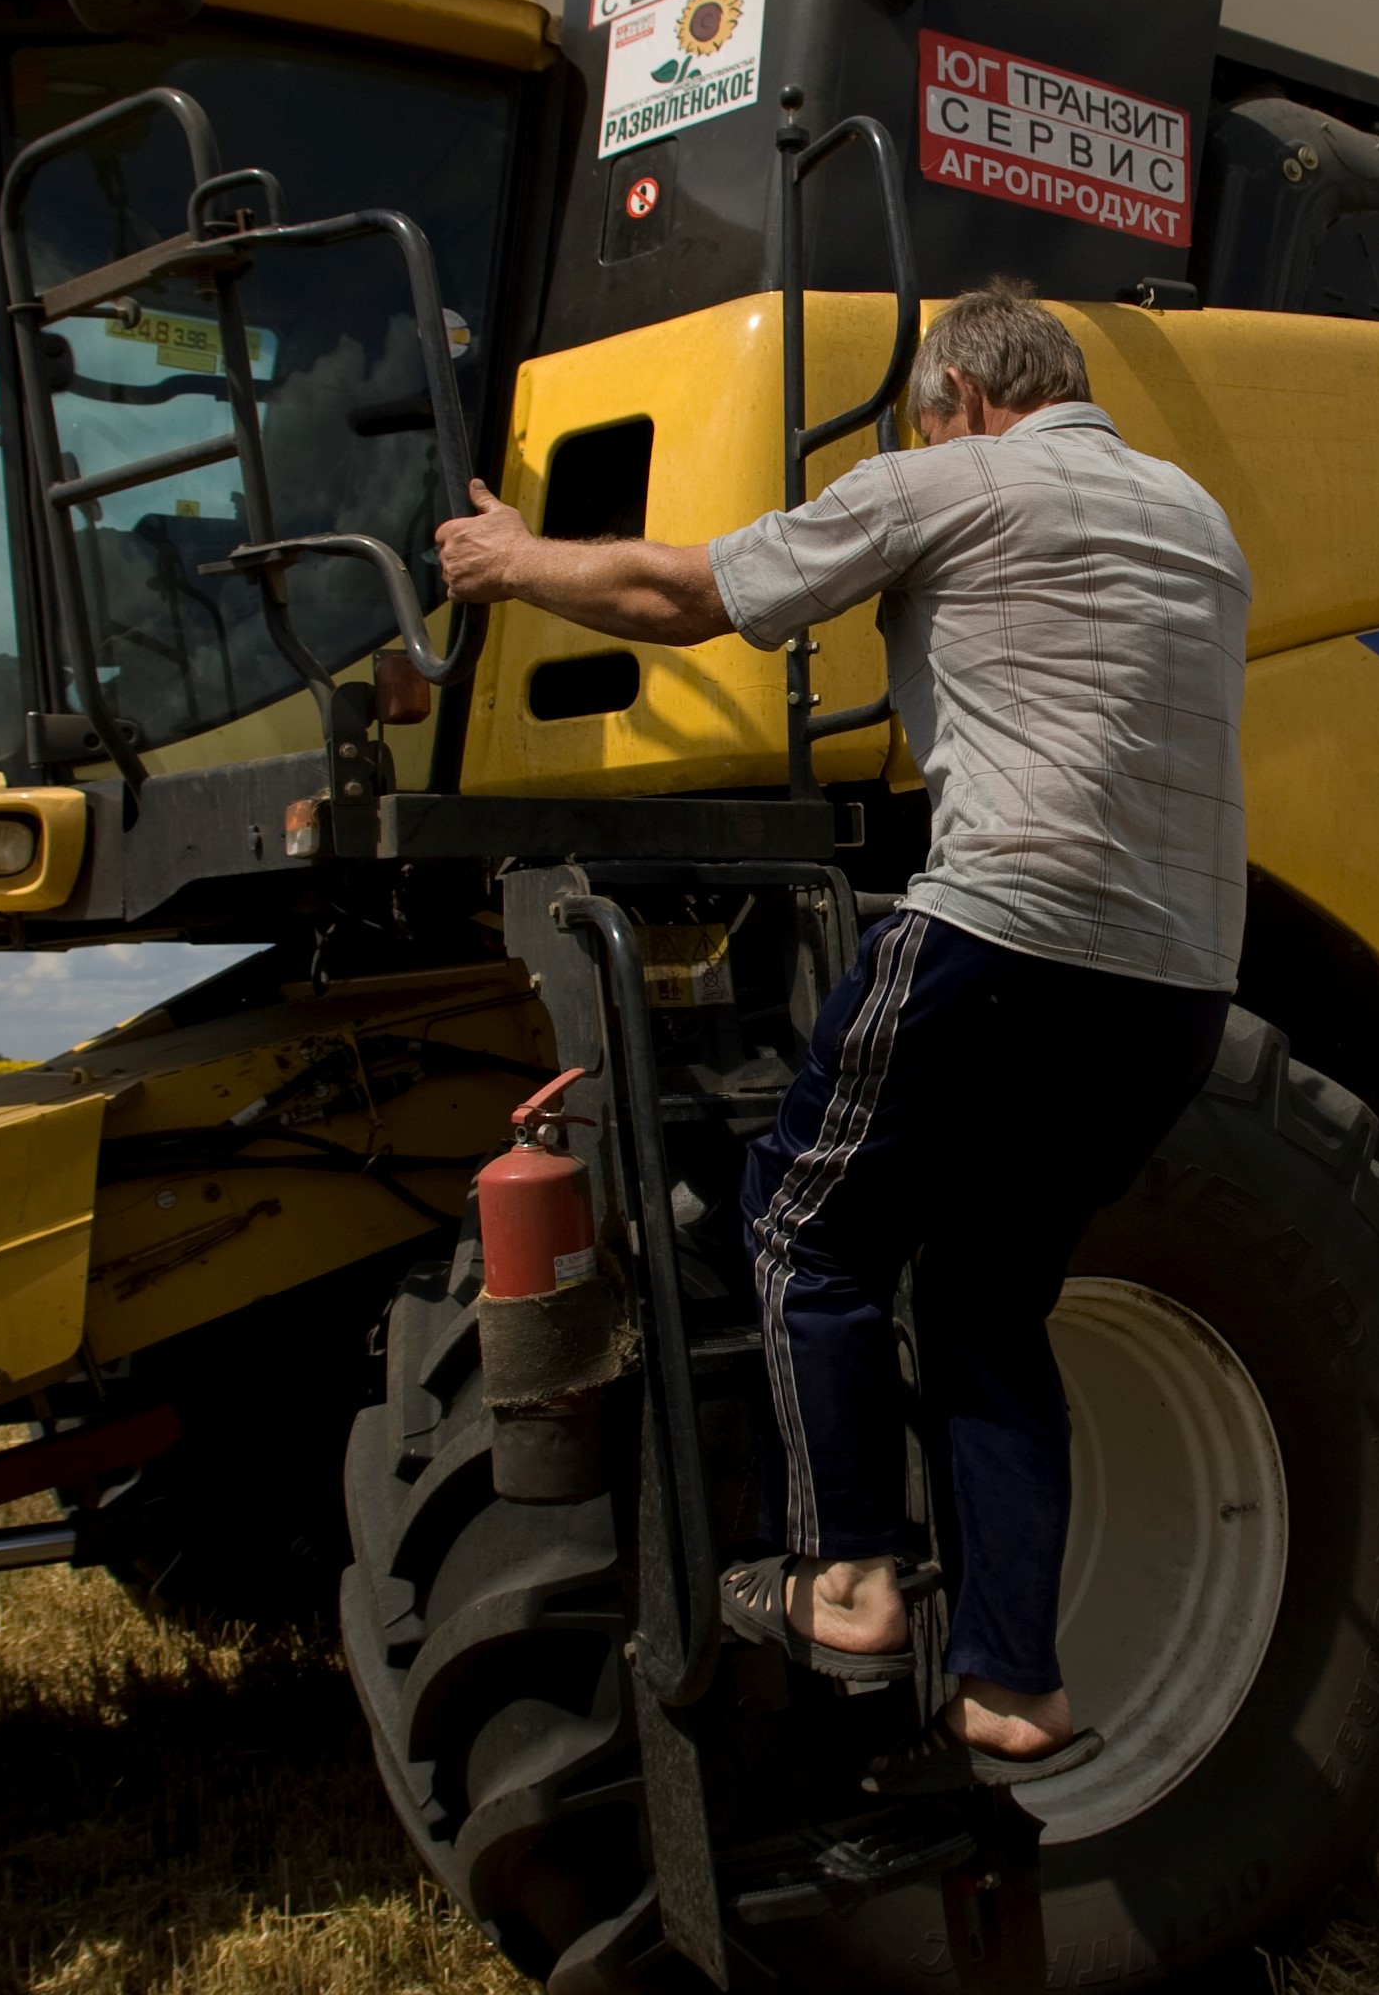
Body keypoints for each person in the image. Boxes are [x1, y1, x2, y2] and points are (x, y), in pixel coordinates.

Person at [433, 282, 1248, 1790]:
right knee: (994, 1301)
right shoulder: (1195, 515)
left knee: (802, 1230)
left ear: (956, 401)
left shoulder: (951, 476)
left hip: (999, 931)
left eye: (930, 420)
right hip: (1182, 981)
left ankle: (849, 1577)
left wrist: (509, 561)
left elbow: (686, 597)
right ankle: (1013, 1687)